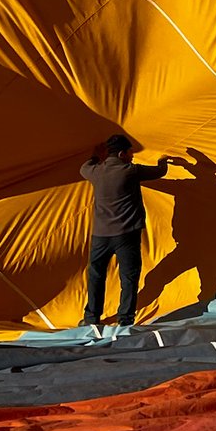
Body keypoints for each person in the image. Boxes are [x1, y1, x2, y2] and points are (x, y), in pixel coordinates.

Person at [79, 134, 181, 331]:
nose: (132, 156)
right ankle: (125, 319)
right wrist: (163, 161)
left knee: (96, 276)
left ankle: (91, 318)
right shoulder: (130, 171)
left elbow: (83, 167)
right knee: (128, 277)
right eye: (130, 153)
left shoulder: (95, 171)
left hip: (100, 235)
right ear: (121, 153)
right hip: (126, 235)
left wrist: (95, 155)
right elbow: (159, 172)